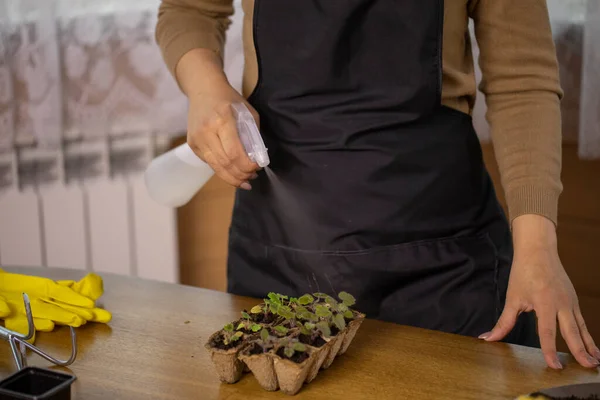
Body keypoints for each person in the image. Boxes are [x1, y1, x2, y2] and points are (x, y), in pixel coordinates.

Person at [155, 0, 599, 370]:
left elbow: (522, 78)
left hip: (445, 269)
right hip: (282, 254)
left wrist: (537, 246)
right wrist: (206, 88)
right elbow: (189, 9)